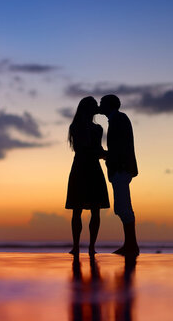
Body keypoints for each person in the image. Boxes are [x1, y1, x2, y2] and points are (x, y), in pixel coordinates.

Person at [65, 96, 109, 256]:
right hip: (82, 168)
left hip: (89, 168)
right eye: (94, 106)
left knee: (93, 210)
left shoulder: (97, 128)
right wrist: (105, 154)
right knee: (78, 210)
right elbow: (84, 148)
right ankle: (77, 246)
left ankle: (90, 246)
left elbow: (95, 149)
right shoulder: (76, 127)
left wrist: (105, 154)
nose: (97, 109)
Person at [99, 94, 140, 257]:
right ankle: (130, 244)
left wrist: (106, 155)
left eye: (102, 103)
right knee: (123, 207)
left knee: (123, 208)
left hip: (121, 169)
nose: (100, 106)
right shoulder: (118, 119)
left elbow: (120, 147)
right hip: (122, 168)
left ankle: (131, 245)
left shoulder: (118, 120)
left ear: (109, 105)